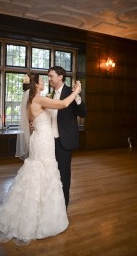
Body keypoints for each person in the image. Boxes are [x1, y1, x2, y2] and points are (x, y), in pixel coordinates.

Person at [0, 73, 81, 246]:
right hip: (43, 141)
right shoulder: (39, 100)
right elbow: (64, 103)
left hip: (39, 139)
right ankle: (41, 218)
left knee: (37, 172)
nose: (45, 82)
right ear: (35, 85)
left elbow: (35, 121)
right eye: (42, 81)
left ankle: (35, 212)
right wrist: (77, 91)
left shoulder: (31, 103)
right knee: (44, 173)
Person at [48, 66, 87, 208]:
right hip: (48, 140)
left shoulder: (71, 92)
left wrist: (77, 97)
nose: (49, 79)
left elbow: (83, 113)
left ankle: (63, 205)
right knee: (51, 172)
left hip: (64, 140)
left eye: (51, 76)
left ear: (60, 77)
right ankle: (51, 201)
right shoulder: (49, 95)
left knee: (64, 174)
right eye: (49, 76)